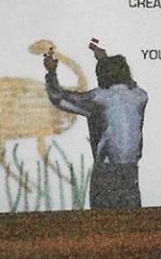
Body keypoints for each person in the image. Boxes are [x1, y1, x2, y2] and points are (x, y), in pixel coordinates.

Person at [43, 42, 148, 209]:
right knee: (131, 220)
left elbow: (58, 97)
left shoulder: (98, 99)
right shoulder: (140, 96)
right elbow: (128, 83)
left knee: (103, 222)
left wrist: (51, 72)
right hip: (130, 170)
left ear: (101, 75)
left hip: (106, 171)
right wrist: (104, 60)